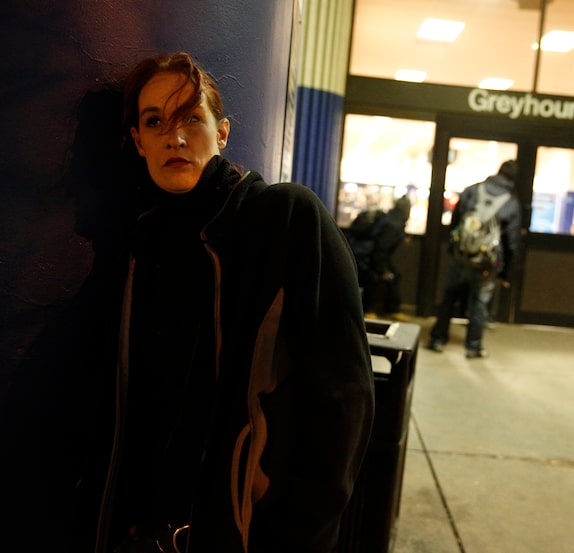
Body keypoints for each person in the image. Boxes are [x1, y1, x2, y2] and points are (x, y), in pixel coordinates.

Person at [92, 52, 375, 553]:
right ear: (138, 141)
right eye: (154, 121)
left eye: (190, 119)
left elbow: (343, 402)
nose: (174, 138)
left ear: (222, 133)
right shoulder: (144, 242)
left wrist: (296, 539)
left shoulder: (285, 219)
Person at [427, 160, 522, 358]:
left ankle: (437, 339)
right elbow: (511, 243)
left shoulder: (472, 191)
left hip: (461, 257)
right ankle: (473, 346)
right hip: (487, 263)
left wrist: (454, 248)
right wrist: (505, 272)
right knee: (479, 303)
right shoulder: (511, 203)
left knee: (449, 298)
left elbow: (455, 222)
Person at [351, 196, 412, 321]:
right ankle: (370, 310)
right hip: (367, 259)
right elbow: (380, 251)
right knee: (377, 277)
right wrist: (383, 270)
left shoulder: (390, 218)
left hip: (364, 256)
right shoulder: (395, 223)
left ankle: (389, 309)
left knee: (393, 275)